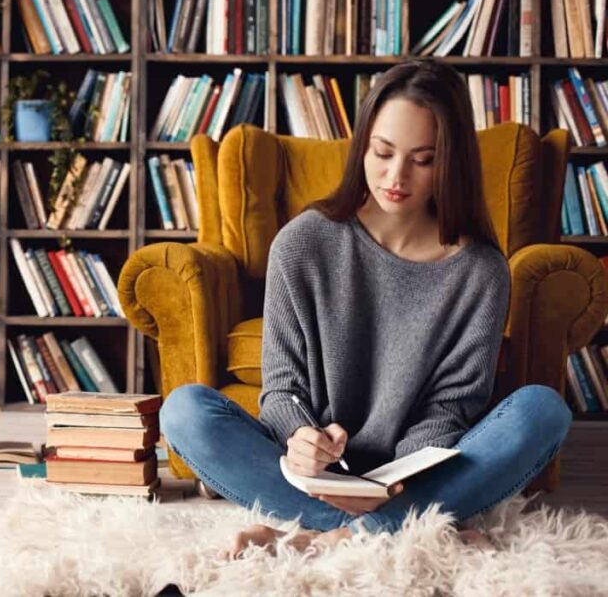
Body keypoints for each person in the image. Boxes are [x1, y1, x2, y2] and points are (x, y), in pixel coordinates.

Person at [158, 59, 573, 558]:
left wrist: (399, 479)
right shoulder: (302, 243)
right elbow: (282, 386)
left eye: (423, 159)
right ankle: (411, 527)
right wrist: (301, 437)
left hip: (418, 473)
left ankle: (328, 539)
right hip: (314, 475)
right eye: (383, 152)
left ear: (451, 162)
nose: (396, 176)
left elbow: (451, 407)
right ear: (363, 147)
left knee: (542, 411)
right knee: (184, 411)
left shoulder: (481, 271)